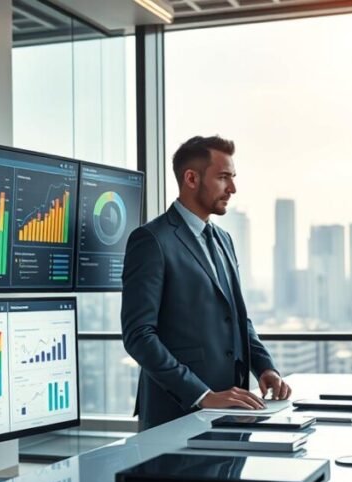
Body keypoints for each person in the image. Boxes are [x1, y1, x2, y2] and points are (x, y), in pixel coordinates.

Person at [121, 135, 292, 429]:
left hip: (234, 408)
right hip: (176, 413)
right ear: (191, 178)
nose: (233, 188)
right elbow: (139, 336)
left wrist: (264, 367)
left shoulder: (224, 240)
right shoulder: (151, 240)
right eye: (223, 177)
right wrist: (202, 394)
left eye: (233, 177)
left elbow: (238, 318)